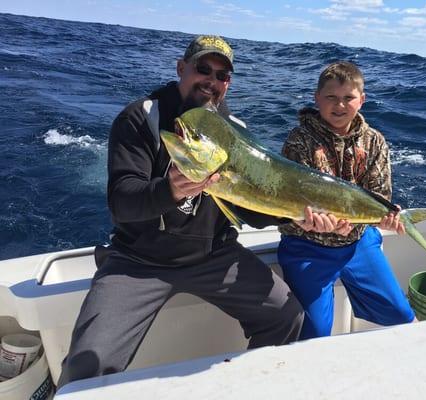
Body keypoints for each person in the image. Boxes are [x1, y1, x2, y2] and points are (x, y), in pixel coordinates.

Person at [58, 35, 333, 387]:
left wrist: (295, 215)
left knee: (287, 316)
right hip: (138, 260)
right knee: (85, 368)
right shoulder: (139, 118)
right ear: (181, 69)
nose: (211, 81)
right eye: (203, 69)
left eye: (222, 76)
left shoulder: (238, 134)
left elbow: (251, 209)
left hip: (213, 255)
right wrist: (168, 189)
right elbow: (122, 201)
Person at [277, 61, 416, 340]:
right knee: (313, 333)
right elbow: (296, 202)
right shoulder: (299, 140)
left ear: (361, 100)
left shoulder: (375, 141)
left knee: (401, 315)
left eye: (348, 98)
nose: (339, 105)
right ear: (317, 98)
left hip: (358, 243)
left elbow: (379, 196)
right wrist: (320, 225)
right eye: (331, 97)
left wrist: (384, 216)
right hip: (308, 246)